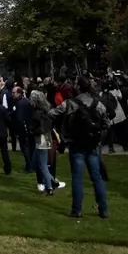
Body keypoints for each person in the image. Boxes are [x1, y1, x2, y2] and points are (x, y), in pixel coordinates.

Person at [49, 76, 109, 219]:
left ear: (78, 87)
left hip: (76, 143)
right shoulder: (98, 104)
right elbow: (107, 123)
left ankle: (77, 210)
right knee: (96, 178)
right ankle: (103, 209)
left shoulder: (70, 103)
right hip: (92, 145)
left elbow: (52, 113)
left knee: (77, 178)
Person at [29, 90, 57, 195]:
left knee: (42, 165)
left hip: (41, 140)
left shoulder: (37, 113)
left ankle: (49, 186)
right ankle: (51, 181)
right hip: (46, 138)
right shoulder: (47, 110)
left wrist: (32, 130)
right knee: (37, 162)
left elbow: (38, 128)